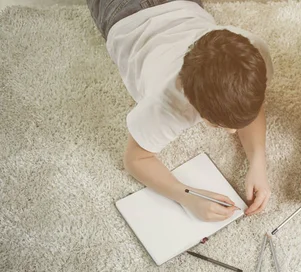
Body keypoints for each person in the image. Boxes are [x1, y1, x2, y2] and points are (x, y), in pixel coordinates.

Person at [88, 0, 273, 221]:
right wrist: (187, 197)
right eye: (225, 126)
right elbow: (135, 159)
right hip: (123, 11)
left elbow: (252, 104)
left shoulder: (255, 50)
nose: (234, 132)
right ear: (199, 113)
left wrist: (258, 162)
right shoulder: (166, 105)